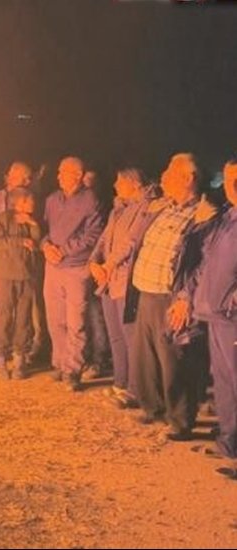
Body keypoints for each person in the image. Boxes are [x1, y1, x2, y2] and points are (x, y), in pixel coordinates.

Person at [124, 153, 217, 441]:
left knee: (174, 361)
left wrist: (185, 299)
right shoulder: (164, 208)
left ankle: (180, 421)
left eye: (169, 172)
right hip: (146, 292)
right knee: (147, 357)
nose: (162, 177)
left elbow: (203, 263)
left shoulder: (203, 215)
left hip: (171, 297)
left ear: (188, 179)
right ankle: (153, 407)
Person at [88, 168, 154, 408]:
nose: (115, 186)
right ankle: (120, 382)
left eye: (119, 182)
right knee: (115, 334)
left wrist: (107, 265)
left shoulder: (144, 207)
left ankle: (135, 389)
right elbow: (104, 238)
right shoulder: (118, 209)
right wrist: (94, 262)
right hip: (108, 279)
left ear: (134, 184)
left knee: (130, 337)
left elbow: (131, 242)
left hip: (125, 280)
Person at [190, 157, 237, 477]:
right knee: (223, 382)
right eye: (229, 179)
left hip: (232, 315)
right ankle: (229, 443)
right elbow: (203, 258)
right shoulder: (226, 218)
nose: (233, 186)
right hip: (216, 313)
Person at [40, 156, 104, 391]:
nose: (58, 176)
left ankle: (73, 370)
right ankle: (60, 363)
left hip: (77, 268)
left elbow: (92, 236)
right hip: (53, 267)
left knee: (76, 322)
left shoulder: (91, 200)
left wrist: (63, 251)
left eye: (63, 172)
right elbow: (44, 230)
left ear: (78, 175)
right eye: (58, 172)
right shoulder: (52, 200)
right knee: (55, 320)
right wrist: (46, 246)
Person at [0, 187, 41, 379]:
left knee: (23, 319)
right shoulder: (3, 219)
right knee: (3, 316)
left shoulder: (32, 221)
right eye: (30, 200)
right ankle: (1, 358)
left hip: (26, 277)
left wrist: (33, 225)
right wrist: (19, 241)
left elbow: (37, 243)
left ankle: (19, 359)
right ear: (19, 202)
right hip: (6, 277)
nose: (33, 203)